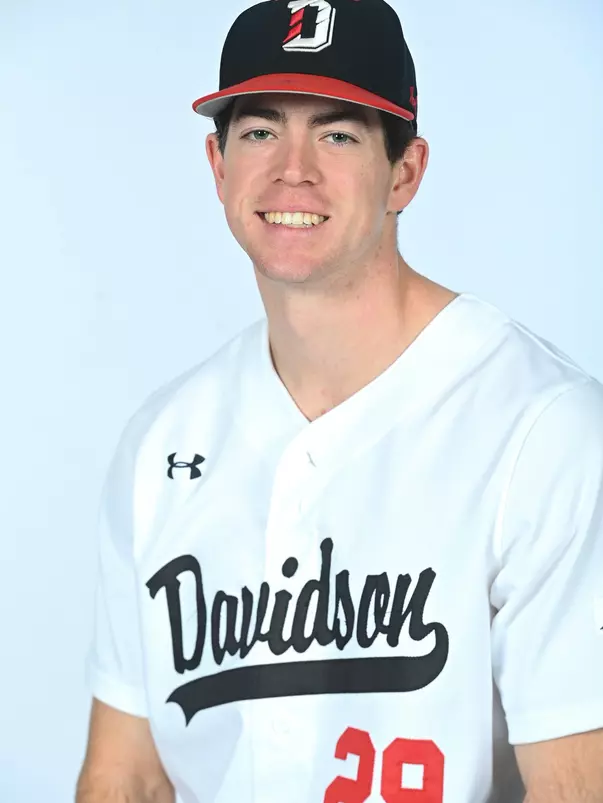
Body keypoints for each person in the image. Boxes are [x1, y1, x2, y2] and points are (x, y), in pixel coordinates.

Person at [75, 1, 603, 801]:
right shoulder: (161, 444)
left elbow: (576, 783)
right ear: (217, 166)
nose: (294, 168)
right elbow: (127, 774)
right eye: (258, 131)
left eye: (337, 133)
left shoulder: (543, 428)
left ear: (405, 172)